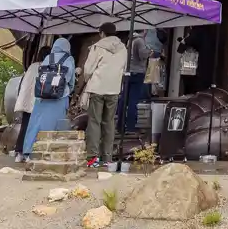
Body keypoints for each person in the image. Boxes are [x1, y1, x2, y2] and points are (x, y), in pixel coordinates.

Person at [78, 23, 128, 168]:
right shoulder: (123, 48)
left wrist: (87, 80)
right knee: (109, 122)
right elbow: (123, 68)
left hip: (97, 88)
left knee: (94, 122)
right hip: (114, 89)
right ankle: (107, 157)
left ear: (102, 33)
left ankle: (93, 157)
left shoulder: (97, 47)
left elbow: (88, 69)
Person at [21, 37, 76, 160]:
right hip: (60, 96)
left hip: (42, 96)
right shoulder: (69, 59)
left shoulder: (47, 58)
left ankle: (29, 151)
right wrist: (69, 90)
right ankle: (50, 152)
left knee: (36, 123)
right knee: (55, 124)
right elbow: (71, 80)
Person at [12, 47, 47, 163]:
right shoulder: (47, 67)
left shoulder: (32, 66)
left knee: (24, 127)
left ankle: (19, 152)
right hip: (38, 103)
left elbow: (25, 84)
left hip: (27, 102)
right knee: (34, 128)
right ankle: (29, 152)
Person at [121, 31, 152, 133]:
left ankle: (120, 125)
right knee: (133, 101)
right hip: (137, 73)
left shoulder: (130, 40)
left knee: (124, 99)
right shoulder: (140, 41)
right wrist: (150, 52)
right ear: (143, 30)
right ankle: (131, 126)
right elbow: (142, 55)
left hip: (128, 72)